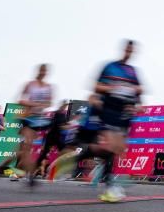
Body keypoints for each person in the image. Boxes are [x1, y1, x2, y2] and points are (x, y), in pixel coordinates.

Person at [51, 40, 143, 202]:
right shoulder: (110, 67)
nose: (129, 52)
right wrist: (113, 89)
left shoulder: (133, 72)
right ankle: (110, 187)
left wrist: (138, 105)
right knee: (111, 148)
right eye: (127, 49)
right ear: (124, 49)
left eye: (132, 50)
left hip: (123, 115)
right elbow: (96, 87)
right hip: (108, 110)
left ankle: (77, 158)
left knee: (112, 150)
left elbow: (138, 93)